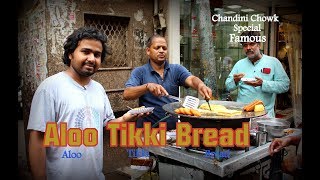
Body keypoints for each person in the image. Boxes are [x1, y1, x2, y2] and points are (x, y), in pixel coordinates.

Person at [27, 26, 148, 180]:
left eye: (97, 55)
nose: (92, 58)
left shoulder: (98, 89)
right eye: (86, 52)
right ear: (71, 54)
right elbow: (37, 138)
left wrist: (125, 118)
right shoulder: (50, 88)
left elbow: (106, 124)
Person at [123, 34, 212, 130]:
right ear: (148, 51)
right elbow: (127, 94)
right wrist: (147, 87)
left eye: (164, 48)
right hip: (147, 131)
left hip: (172, 130)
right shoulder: (139, 72)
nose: (161, 51)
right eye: (157, 48)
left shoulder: (176, 69)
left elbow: (191, 79)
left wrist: (200, 85)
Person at [225, 31, 290, 117]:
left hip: (265, 116)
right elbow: (228, 86)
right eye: (245, 45)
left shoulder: (273, 62)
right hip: (242, 115)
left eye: (252, 44)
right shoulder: (239, 64)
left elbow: (285, 85)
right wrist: (235, 80)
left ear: (259, 45)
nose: (248, 48)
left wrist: (263, 84)